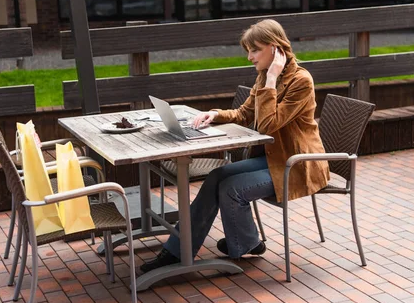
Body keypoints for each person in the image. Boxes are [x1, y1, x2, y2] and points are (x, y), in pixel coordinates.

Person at [141, 19, 330, 272]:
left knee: (232, 188)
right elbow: (244, 113)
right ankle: (177, 250)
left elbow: (267, 125)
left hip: (296, 164)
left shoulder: (300, 81)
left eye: (255, 50)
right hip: (273, 159)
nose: (250, 58)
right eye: (248, 51)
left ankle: (245, 243)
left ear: (275, 49)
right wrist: (215, 114)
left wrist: (272, 78)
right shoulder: (263, 76)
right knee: (217, 176)